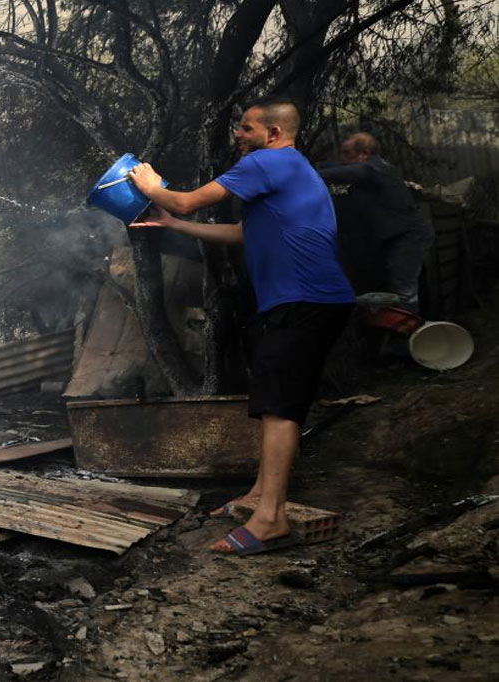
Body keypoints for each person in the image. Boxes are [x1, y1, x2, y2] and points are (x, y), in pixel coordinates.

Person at [126, 98, 357, 556]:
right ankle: (259, 496)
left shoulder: (268, 162)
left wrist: (152, 186)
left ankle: (271, 519)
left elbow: (188, 200)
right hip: (312, 301)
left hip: (304, 300)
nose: (238, 134)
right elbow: (243, 234)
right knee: (278, 400)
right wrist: (173, 223)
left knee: (279, 406)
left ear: (272, 133)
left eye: (247, 128)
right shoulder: (291, 169)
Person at [318, 132, 435, 311]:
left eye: (346, 153)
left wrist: (307, 173)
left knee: (403, 289)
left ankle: (406, 333)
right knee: (388, 287)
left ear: (363, 154)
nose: (342, 159)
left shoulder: (377, 168)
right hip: (393, 236)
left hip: (408, 236)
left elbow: (351, 172)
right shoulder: (369, 173)